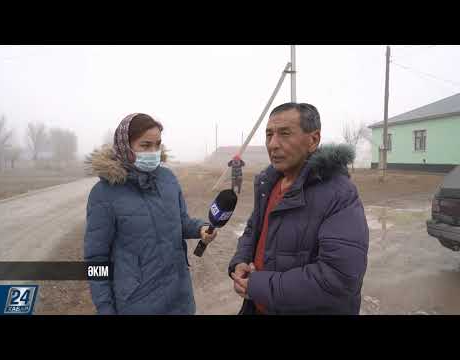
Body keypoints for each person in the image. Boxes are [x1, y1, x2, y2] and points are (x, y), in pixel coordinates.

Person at [228, 103, 369, 315]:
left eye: (285, 134)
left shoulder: (340, 195)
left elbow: (338, 278)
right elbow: (252, 230)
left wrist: (258, 286)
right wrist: (240, 261)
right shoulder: (270, 184)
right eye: (269, 134)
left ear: (313, 140)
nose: (273, 144)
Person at [84, 113, 217, 315]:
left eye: (157, 145)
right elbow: (96, 260)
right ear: (125, 147)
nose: (153, 152)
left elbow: (180, 221)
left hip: (180, 297)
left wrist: (200, 228)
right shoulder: (104, 193)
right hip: (136, 303)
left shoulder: (168, 179)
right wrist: (105, 308)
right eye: (145, 146)